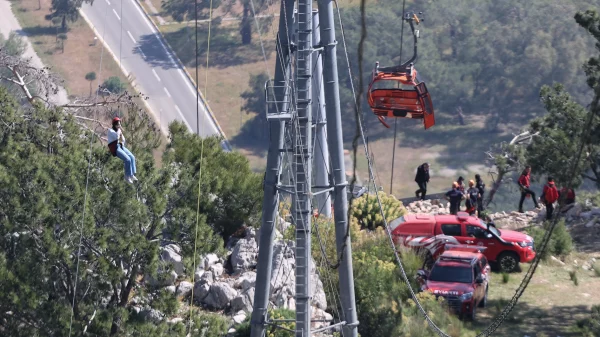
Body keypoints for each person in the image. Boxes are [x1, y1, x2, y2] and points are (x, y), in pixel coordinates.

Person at [108, 117, 138, 183]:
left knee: (132, 157)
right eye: (117, 125)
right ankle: (127, 176)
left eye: (119, 124)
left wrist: (121, 134)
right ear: (114, 125)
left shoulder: (118, 131)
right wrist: (119, 131)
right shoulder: (110, 131)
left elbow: (123, 140)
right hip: (115, 148)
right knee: (127, 159)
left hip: (120, 146)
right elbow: (116, 136)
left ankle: (132, 174)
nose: (119, 126)